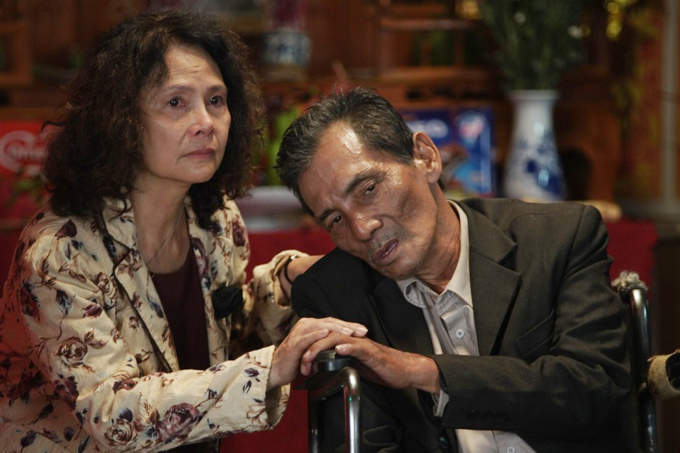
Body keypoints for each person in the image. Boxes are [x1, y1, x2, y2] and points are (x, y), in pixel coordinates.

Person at [0, 10, 366, 453]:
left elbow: (227, 344)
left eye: (216, 100)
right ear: (120, 120)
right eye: (176, 102)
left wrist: (289, 281)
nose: (206, 122)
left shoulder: (216, 218)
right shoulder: (58, 252)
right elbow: (113, 415)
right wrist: (272, 367)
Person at [276, 88, 636, 452]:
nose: (361, 229)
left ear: (425, 157)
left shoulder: (556, 238)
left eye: (368, 189)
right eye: (335, 220)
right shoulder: (334, 296)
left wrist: (424, 372)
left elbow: (595, 390)